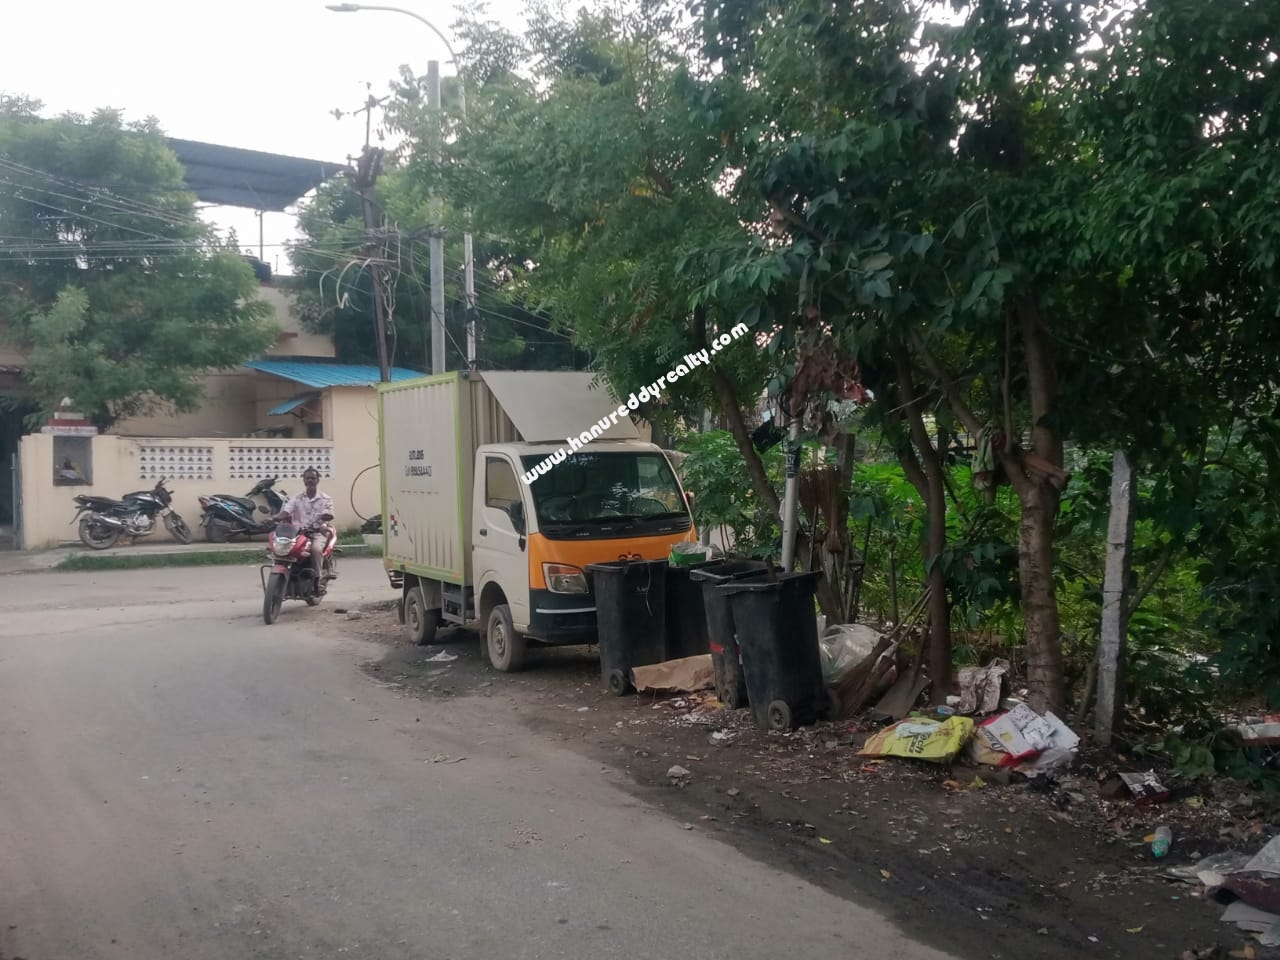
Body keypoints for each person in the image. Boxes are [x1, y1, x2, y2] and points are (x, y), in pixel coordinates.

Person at [277, 467, 335, 595]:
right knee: (284, 548)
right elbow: (286, 511)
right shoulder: (297, 498)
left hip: (317, 532)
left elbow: (329, 514)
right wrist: (275, 517)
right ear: (304, 480)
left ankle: (317, 582)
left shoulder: (325, 498)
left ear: (317, 480)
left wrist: (326, 516)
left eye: (313, 478)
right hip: (297, 533)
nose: (310, 480)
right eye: (307, 478)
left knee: (315, 549)